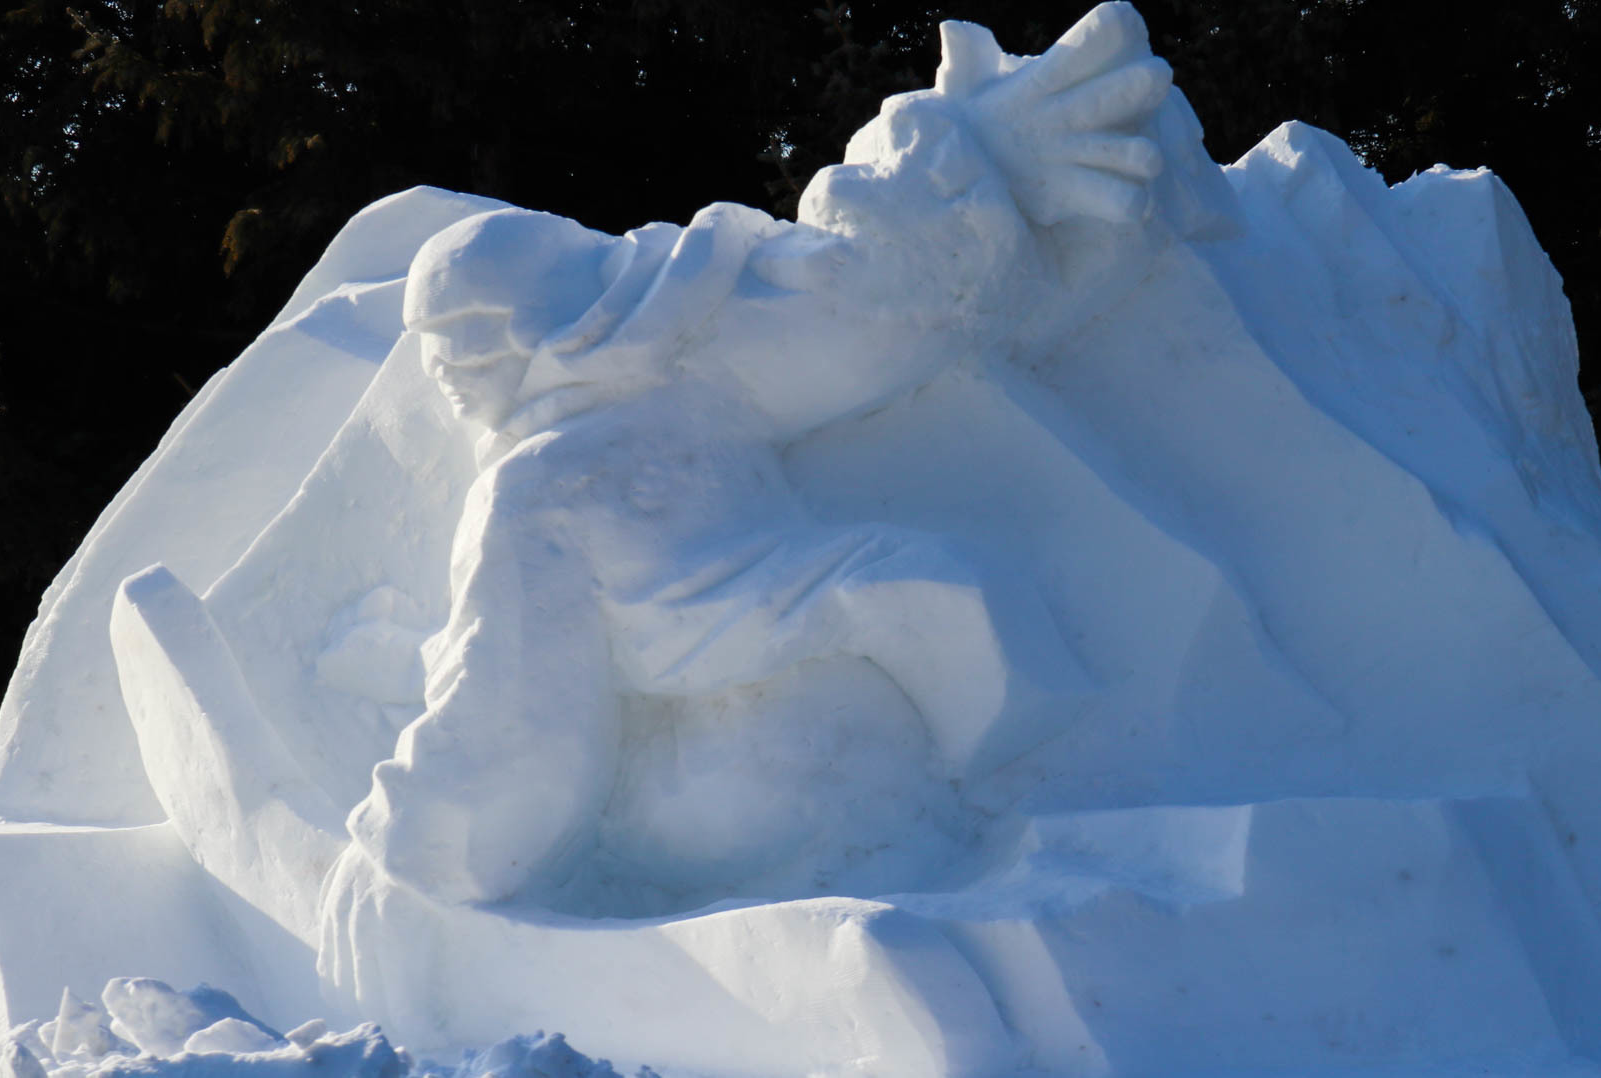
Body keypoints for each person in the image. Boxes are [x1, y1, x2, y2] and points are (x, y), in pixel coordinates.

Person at [330, 2, 1186, 912]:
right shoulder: (688, 358)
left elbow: (519, 745)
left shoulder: (543, 482)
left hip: (742, 779)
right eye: (434, 346)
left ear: (540, 323)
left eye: (470, 337)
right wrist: (964, 150)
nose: (448, 372)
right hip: (884, 707)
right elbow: (874, 312)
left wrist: (410, 844)